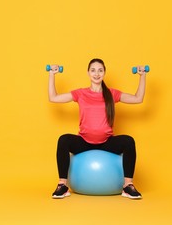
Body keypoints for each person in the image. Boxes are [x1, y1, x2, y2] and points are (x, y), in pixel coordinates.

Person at [48, 58, 147, 200]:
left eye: (100, 70)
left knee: (128, 141)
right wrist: (52, 74)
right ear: (88, 73)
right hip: (84, 142)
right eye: (93, 70)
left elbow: (138, 98)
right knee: (63, 140)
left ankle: (128, 185)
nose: (96, 74)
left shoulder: (112, 94)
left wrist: (142, 76)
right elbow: (53, 97)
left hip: (106, 142)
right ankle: (62, 185)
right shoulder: (80, 93)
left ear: (104, 73)